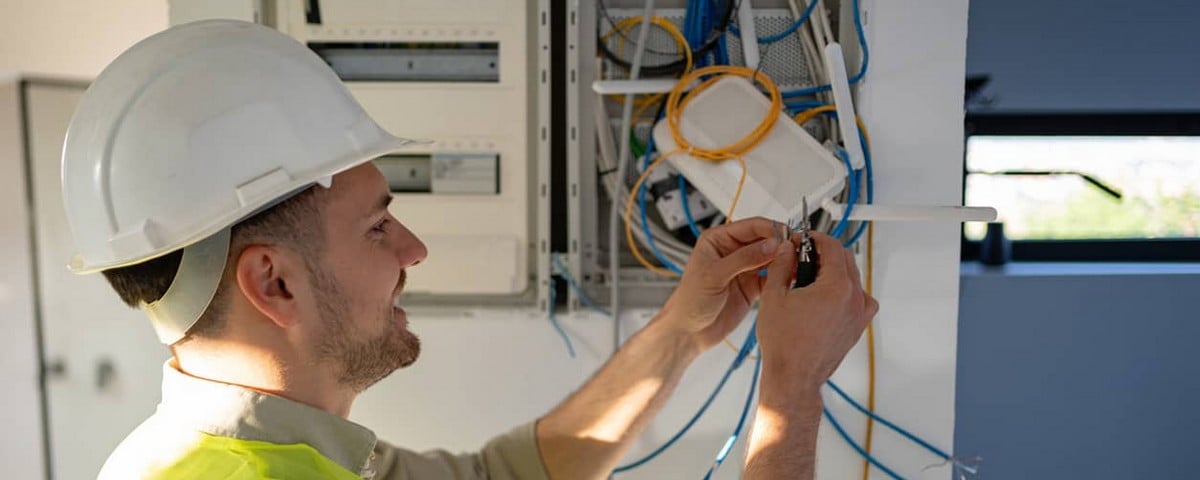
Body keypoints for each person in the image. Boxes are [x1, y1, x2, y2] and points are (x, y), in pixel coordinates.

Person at [64, 20, 876, 480]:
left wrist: (684, 332)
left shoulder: (249, 455)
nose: (414, 250)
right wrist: (792, 384)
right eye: (378, 225)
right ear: (271, 283)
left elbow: (501, 478)